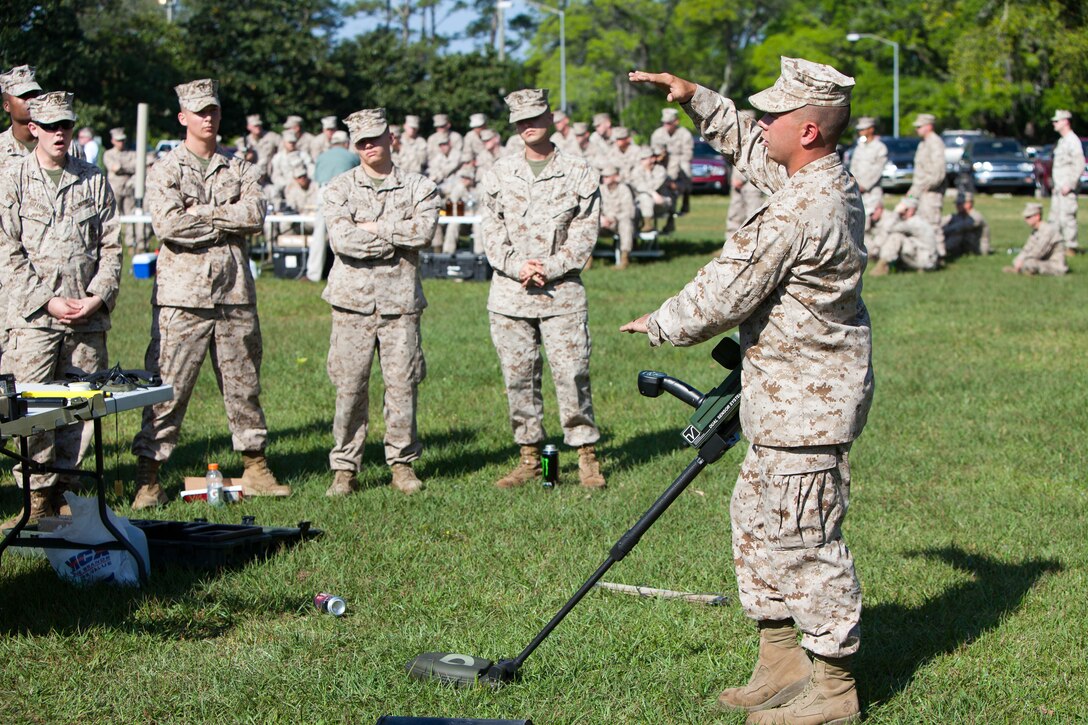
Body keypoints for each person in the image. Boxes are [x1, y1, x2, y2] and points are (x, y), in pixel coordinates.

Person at [624, 58, 872, 725]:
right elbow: (752, 147)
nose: (761, 123)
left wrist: (663, 322)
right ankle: (782, 659)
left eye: (775, 115)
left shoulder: (801, 206)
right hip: (782, 397)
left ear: (810, 131)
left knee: (804, 538)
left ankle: (834, 689)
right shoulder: (814, 176)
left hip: (806, 405)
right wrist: (696, 100)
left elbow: (725, 290)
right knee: (758, 521)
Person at [130, 79, 290, 508]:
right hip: (183, 298)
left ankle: (255, 466)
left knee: (244, 385)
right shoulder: (165, 169)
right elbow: (168, 225)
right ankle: (149, 476)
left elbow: (255, 214)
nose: (208, 118)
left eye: (213, 110)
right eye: (199, 111)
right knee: (167, 389)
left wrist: (202, 213)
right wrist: (225, 219)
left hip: (234, 295)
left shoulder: (238, 167)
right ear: (183, 117)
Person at [0, 91, 121, 526]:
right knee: (32, 412)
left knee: (79, 410)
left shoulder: (92, 178)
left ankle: (64, 492)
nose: (59, 134)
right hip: (34, 320)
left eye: (65, 126)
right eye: (50, 126)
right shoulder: (12, 178)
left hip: (85, 319)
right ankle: (34, 501)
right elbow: (6, 251)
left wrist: (98, 296)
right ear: (33, 128)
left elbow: (112, 246)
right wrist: (46, 300)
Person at [481, 88, 606, 490]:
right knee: (518, 378)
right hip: (509, 295)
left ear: (550, 119)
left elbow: (586, 232)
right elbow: (491, 232)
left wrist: (549, 267)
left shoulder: (579, 171)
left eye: (535, 118)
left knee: (572, 375)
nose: (528, 126)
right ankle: (529, 457)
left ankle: (586, 455)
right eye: (520, 121)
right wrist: (518, 266)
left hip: (561, 294)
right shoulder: (500, 173)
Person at [321, 107, 438, 496]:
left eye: (376, 138)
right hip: (352, 304)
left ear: (391, 138)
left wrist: (374, 227)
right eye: (362, 142)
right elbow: (341, 240)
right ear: (355, 146)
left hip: (400, 304)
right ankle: (345, 469)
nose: (371, 146)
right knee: (350, 387)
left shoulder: (419, 187)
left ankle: (402, 464)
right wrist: (394, 234)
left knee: (402, 385)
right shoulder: (339, 188)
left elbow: (423, 233)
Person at [0, 64, 44, 364]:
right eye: (22, 95)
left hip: (50, 275)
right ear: (6, 104)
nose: (30, 101)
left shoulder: (61, 148)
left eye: (35, 94)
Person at [306, 129, 360, 282]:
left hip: (324, 192)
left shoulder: (322, 157)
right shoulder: (352, 157)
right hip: (343, 193)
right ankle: (348, 273)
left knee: (318, 234)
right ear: (346, 143)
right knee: (345, 231)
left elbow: (317, 179)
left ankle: (313, 273)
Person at [908, 112, 947, 258]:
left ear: (929, 126)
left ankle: (939, 254)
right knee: (922, 222)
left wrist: (925, 186)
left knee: (932, 223)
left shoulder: (935, 142)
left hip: (931, 191)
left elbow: (938, 171)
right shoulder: (923, 143)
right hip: (920, 190)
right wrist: (913, 191)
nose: (917, 129)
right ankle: (927, 253)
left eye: (920, 126)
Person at [870, 197, 940, 274]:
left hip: (925, 261)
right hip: (927, 259)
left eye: (904, 209)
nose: (901, 212)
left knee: (896, 237)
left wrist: (895, 213)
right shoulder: (916, 220)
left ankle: (882, 265)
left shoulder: (913, 222)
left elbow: (889, 228)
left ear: (911, 210)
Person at [1048, 110, 1084, 255]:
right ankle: (1056, 245)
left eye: (1057, 121)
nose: (1054, 124)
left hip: (1067, 188)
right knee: (1054, 218)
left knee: (1067, 217)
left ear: (1065, 121)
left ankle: (1071, 247)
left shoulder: (1072, 140)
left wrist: (1070, 184)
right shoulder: (1062, 141)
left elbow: (1079, 164)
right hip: (1059, 188)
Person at [848, 116, 887, 243]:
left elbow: (877, 170)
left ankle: (876, 250)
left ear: (871, 129)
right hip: (858, 190)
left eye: (863, 129)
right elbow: (853, 167)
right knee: (860, 222)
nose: (861, 132)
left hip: (872, 191)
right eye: (859, 130)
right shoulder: (860, 147)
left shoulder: (879, 147)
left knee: (874, 222)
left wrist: (864, 185)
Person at [650, 107, 695, 214]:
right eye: (664, 123)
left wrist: (677, 163)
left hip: (679, 161)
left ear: (676, 122)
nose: (666, 126)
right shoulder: (658, 134)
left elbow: (688, 153)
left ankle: (685, 198)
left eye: (669, 123)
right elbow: (653, 153)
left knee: (686, 170)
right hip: (662, 162)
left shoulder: (684, 134)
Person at [1004, 202, 1067, 276]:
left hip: (1055, 265)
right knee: (1017, 260)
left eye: (1028, 217)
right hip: (1042, 261)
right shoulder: (1035, 231)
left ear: (1037, 216)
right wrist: (1019, 259)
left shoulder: (1048, 230)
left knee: (1029, 263)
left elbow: (1039, 251)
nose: (1025, 220)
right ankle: (1023, 270)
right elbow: (1027, 248)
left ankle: (1026, 270)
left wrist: (1023, 261)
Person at [598, 165, 637, 269]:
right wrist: (601, 218)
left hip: (618, 223)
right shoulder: (600, 190)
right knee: (589, 224)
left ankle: (624, 258)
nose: (604, 178)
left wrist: (613, 218)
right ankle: (587, 259)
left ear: (615, 177)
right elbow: (594, 209)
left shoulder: (624, 189)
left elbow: (629, 211)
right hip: (603, 222)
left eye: (607, 176)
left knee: (626, 223)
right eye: (603, 176)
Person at [941, 191, 990, 257]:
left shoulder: (976, 216)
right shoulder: (959, 215)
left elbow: (961, 226)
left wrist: (944, 231)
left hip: (978, 249)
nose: (957, 206)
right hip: (966, 247)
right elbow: (942, 221)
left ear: (968, 204)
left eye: (959, 204)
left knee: (957, 233)